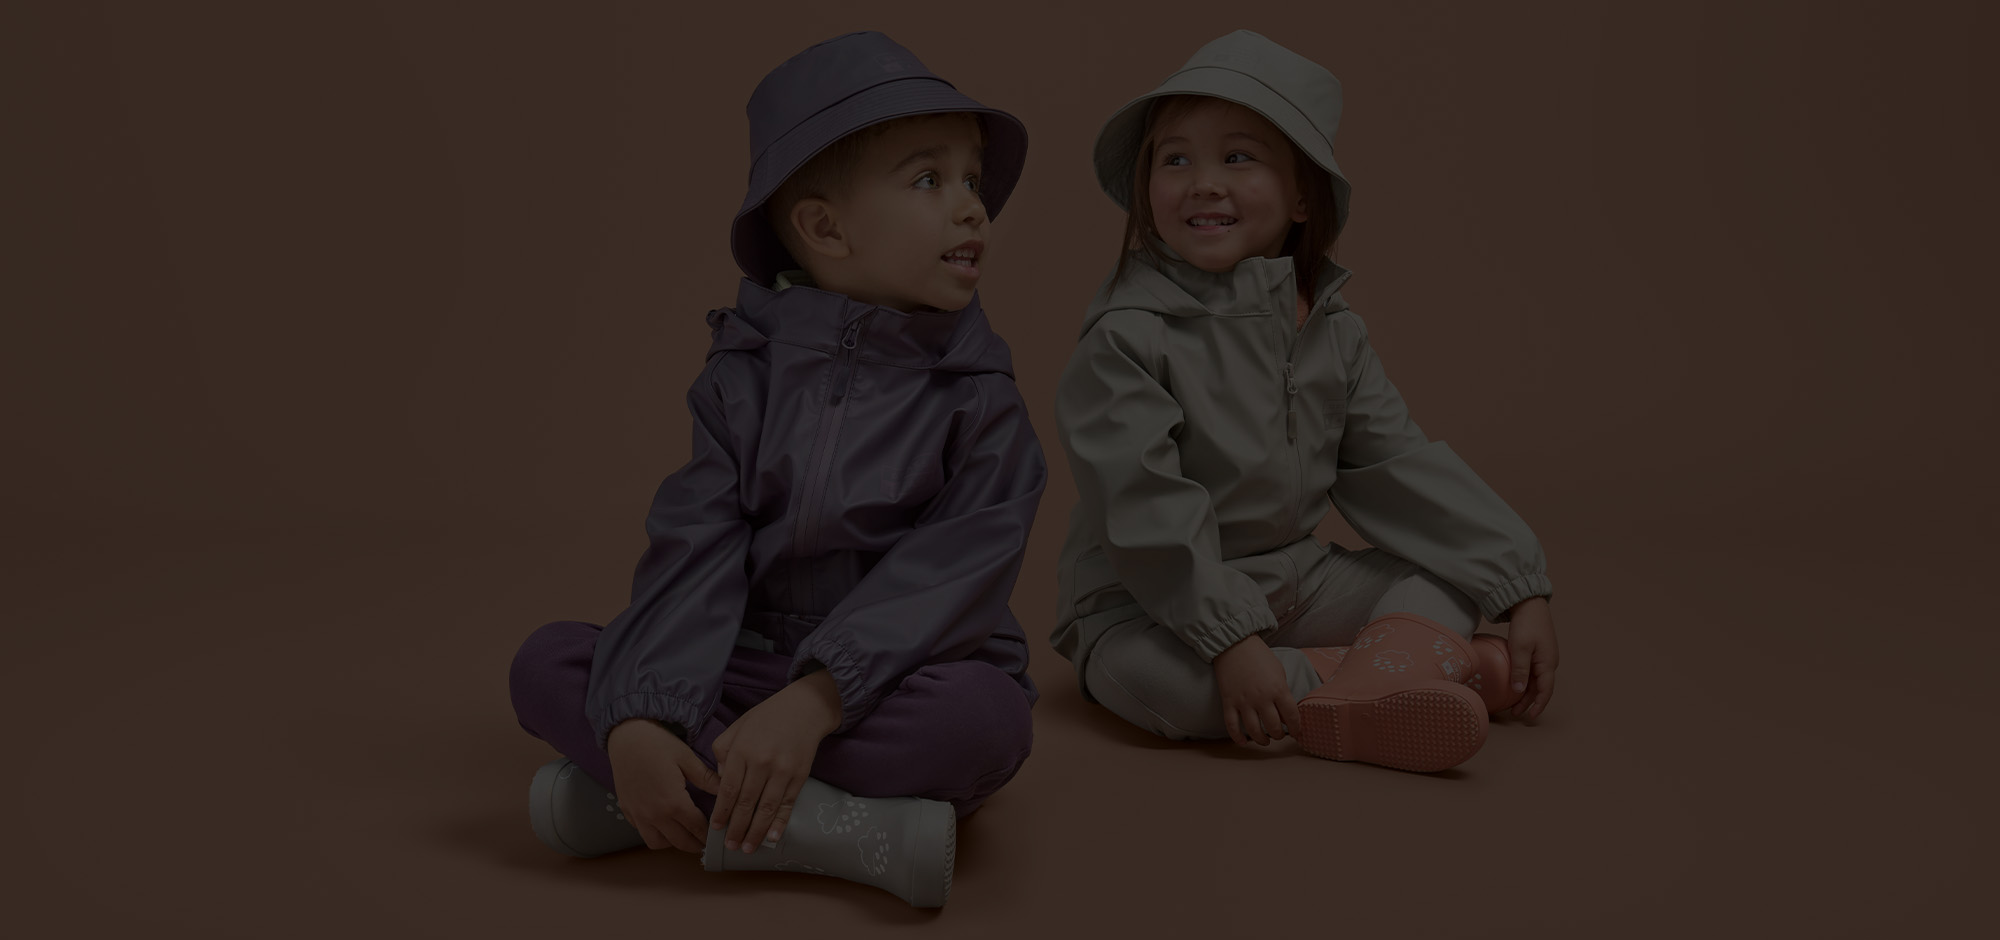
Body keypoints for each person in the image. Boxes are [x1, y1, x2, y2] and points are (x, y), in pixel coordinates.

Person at [507, 31, 1044, 908]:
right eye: (928, 180)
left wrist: (817, 702)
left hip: (891, 680)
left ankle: (662, 802)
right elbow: (696, 547)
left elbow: (955, 572)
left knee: (982, 724)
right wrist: (645, 715)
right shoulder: (739, 381)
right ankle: (818, 825)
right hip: (742, 662)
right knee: (550, 662)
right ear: (825, 228)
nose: (973, 208)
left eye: (973, 180)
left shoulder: (981, 400)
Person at [1051, 30, 1559, 774]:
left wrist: (1519, 588)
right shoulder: (1128, 339)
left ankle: (1368, 684)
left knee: (1450, 577)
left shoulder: (1331, 330)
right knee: (1175, 692)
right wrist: (1227, 639)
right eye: (1175, 159)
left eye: (1238, 156)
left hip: (1295, 579)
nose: (1203, 182)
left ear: (1299, 195)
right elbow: (1144, 511)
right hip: (1146, 604)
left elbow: (1395, 462)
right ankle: (1417, 674)